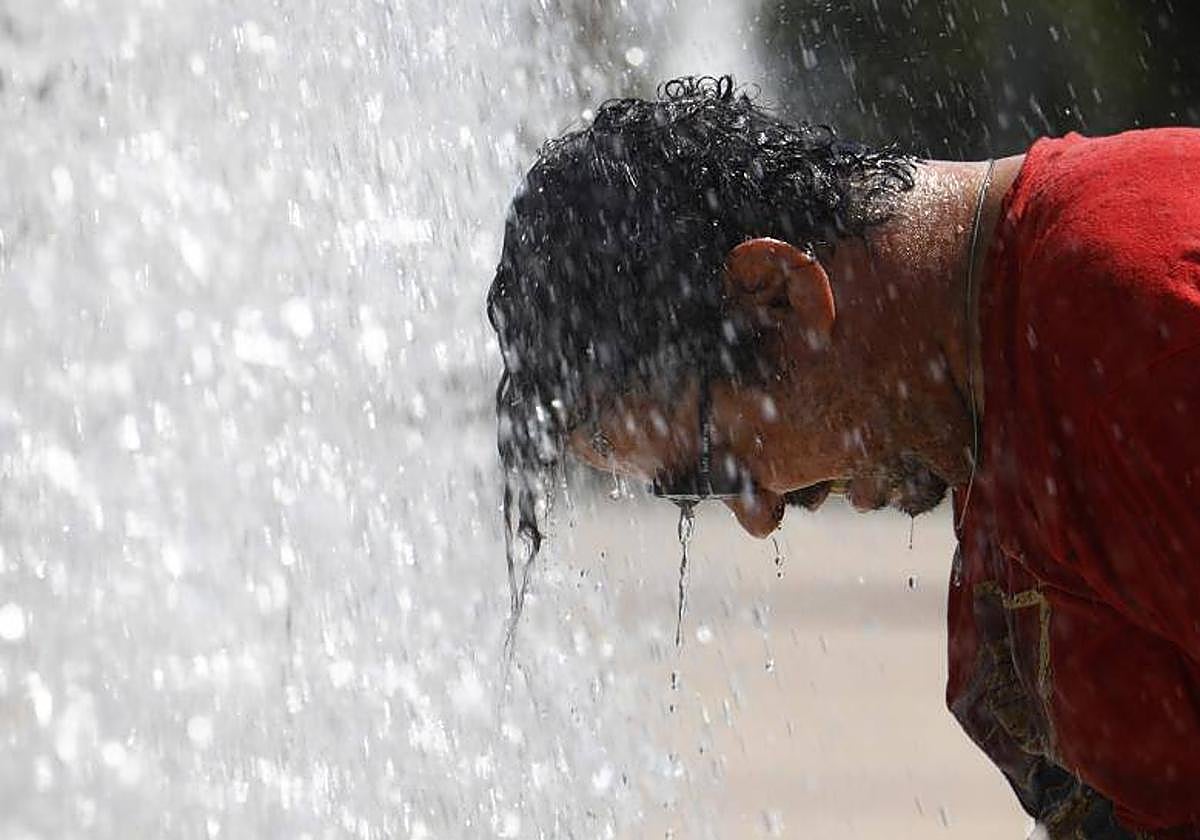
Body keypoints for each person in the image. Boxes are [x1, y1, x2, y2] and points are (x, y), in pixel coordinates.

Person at [486, 75, 1200, 836]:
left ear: (779, 296)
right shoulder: (1009, 401)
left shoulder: (1130, 335)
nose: (758, 516)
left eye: (713, 466)